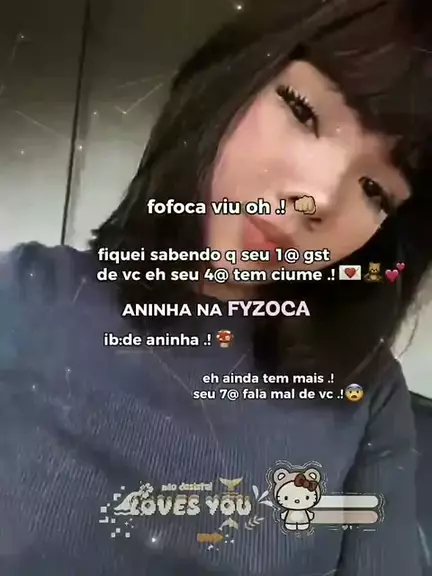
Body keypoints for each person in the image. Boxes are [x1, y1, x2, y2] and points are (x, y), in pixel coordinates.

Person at [0, 0, 431, 574]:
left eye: (376, 190)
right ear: (233, 80)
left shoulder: (366, 395)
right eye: (304, 112)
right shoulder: (19, 295)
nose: (320, 198)